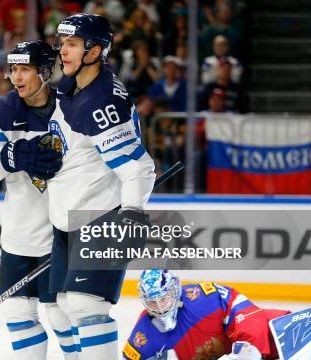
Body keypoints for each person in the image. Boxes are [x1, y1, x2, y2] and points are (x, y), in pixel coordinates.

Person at [47, 14, 156, 359]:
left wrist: (134, 214)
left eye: (73, 44)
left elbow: (139, 166)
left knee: (84, 304)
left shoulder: (102, 102)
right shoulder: (72, 84)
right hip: (71, 215)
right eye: (62, 43)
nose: (63, 51)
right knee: (60, 305)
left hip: (101, 215)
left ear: (95, 50)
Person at [0, 41, 76, 360]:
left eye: (25, 69)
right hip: (20, 235)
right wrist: (9, 155)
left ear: (44, 71)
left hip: (61, 234)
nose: (16, 76)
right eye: (13, 69)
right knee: (17, 314)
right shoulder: (1, 109)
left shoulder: (71, 108)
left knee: (62, 314)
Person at [123, 269, 290, 360]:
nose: (160, 307)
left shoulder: (202, 297)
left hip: (271, 340)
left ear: (174, 291)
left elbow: (244, 311)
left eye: (163, 299)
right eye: (152, 302)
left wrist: (251, 349)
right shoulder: (142, 335)